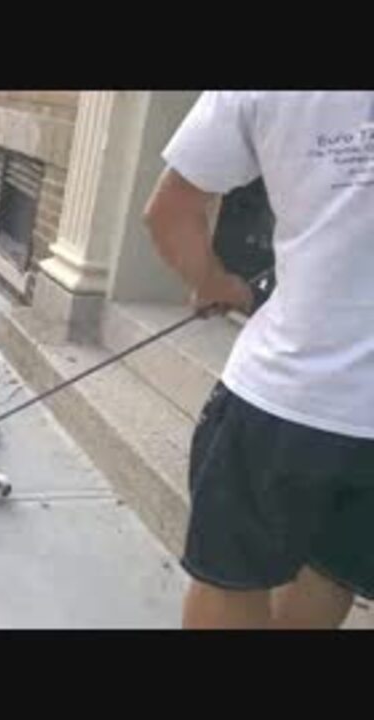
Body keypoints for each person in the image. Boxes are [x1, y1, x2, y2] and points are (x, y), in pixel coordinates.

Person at [143, 91, 374, 629]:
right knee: (329, 570)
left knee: (232, 578)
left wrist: (214, 284)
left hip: (284, 398)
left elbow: (169, 213)